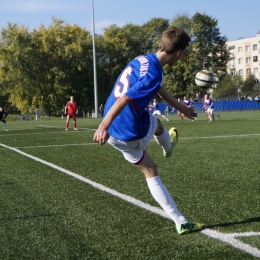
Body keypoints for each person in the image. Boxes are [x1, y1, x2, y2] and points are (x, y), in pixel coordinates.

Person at [93, 27, 204, 235]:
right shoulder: (154, 74)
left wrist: (181, 108)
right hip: (128, 128)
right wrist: (102, 126)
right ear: (178, 52)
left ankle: (180, 221)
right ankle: (168, 148)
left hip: (114, 135)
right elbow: (126, 97)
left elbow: (158, 89)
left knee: (150, 170)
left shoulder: (142, 59)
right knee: (158, 124)